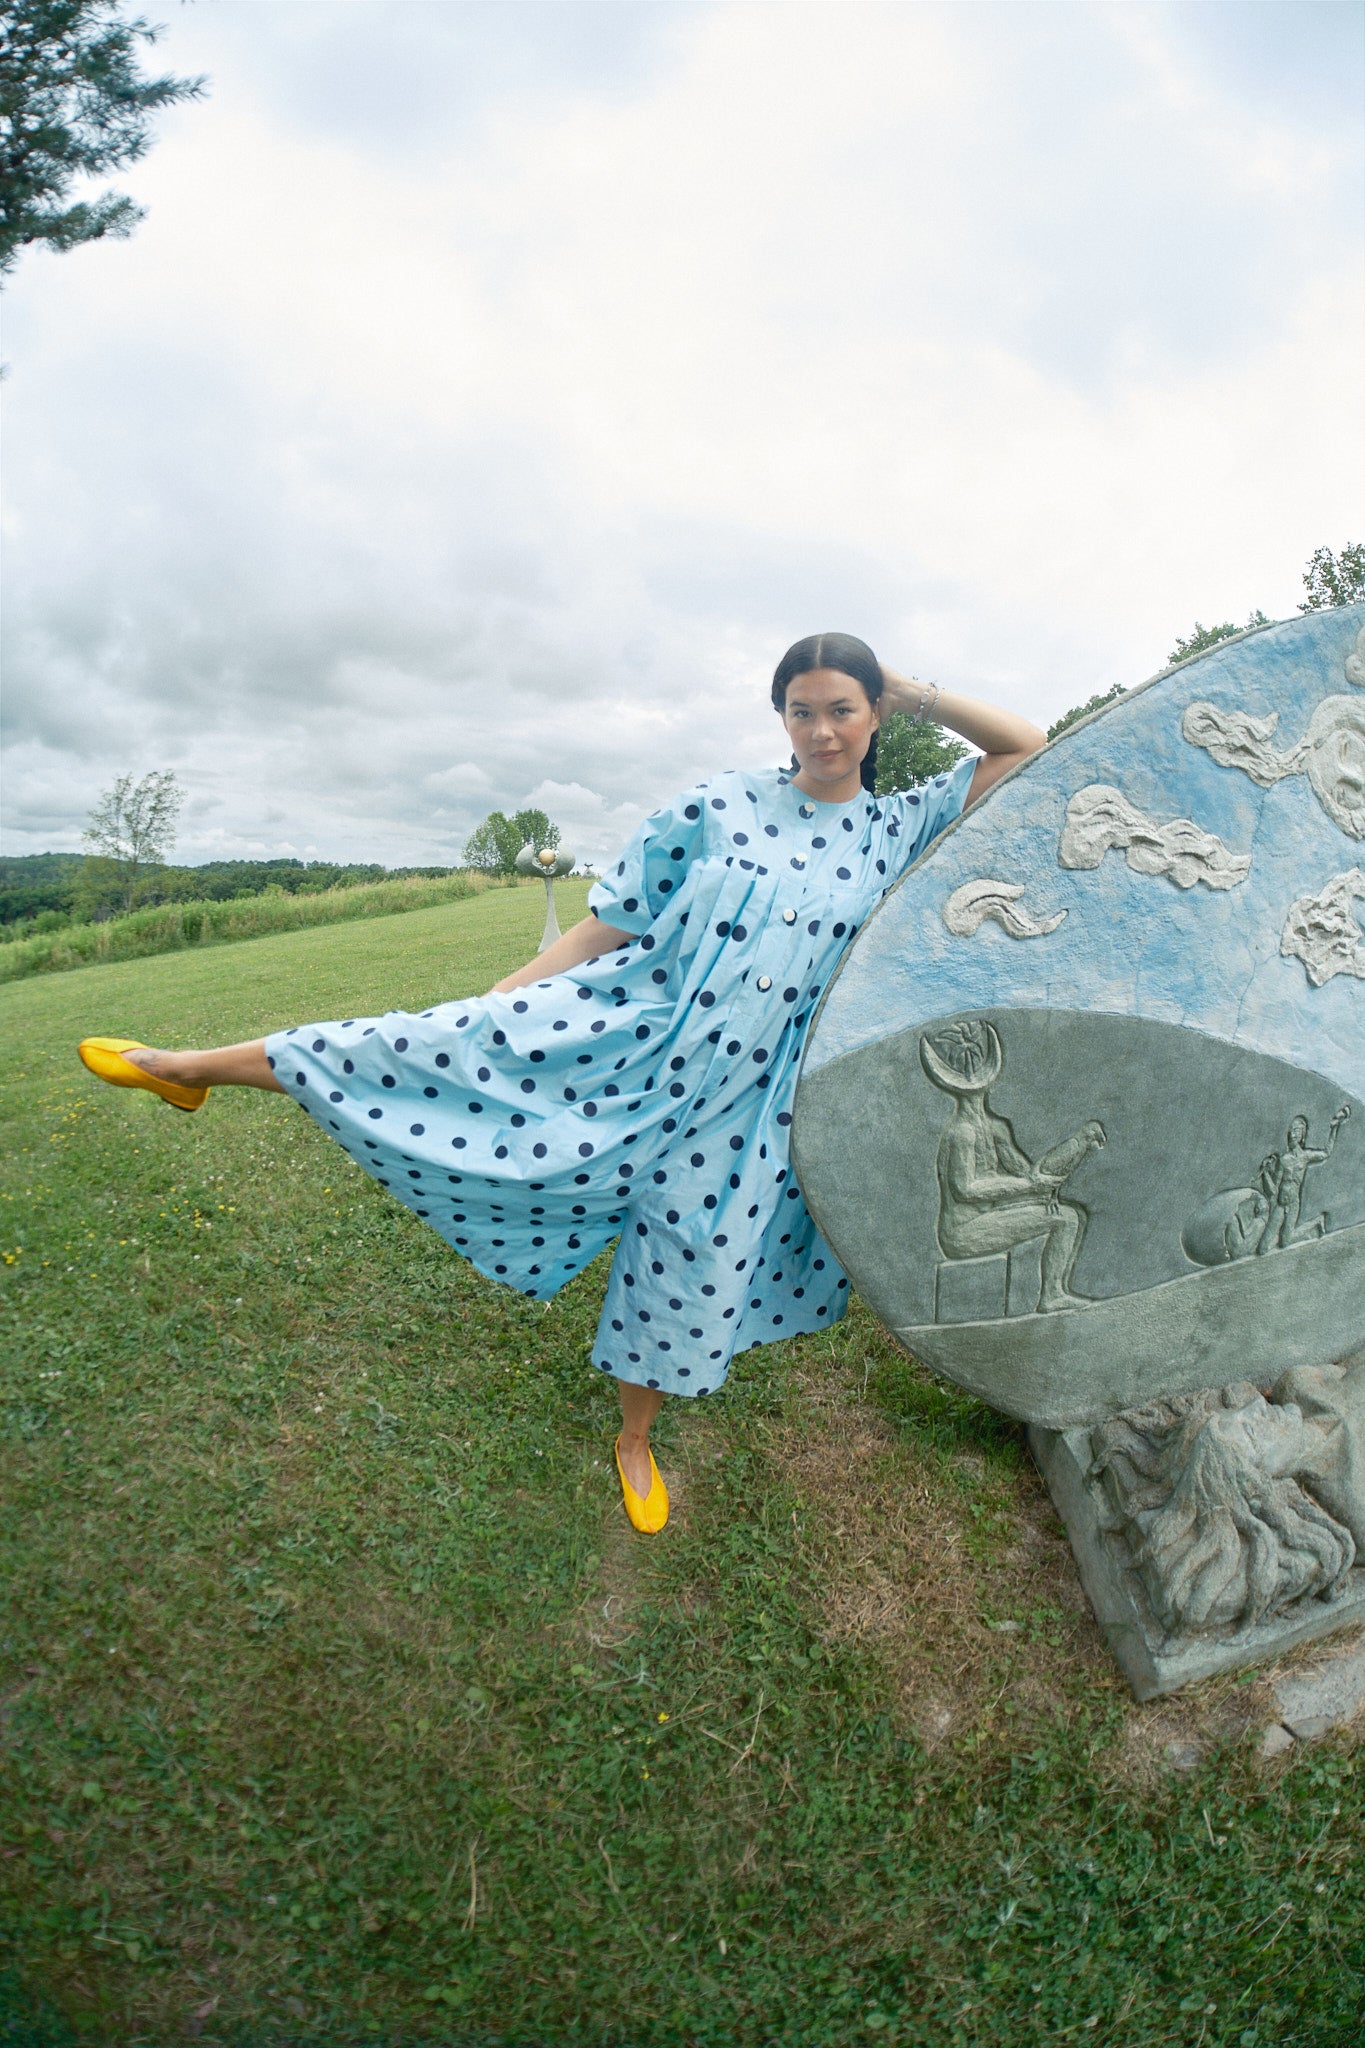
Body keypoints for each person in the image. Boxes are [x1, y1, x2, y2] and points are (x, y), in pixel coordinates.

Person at [78, 633, 1045, 1532]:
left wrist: (910, 688)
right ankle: (187, 1069)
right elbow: (610, 920)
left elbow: (1023, 747)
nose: (822, 731)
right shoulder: (721, 805)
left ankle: (634, 1440)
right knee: (425, 1049)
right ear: (779, 717)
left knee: (691, 1256)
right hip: (631, 1036)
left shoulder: (896, 826)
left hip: (753, 1099)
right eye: (801, 710)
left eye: (841, 709)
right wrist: (503, 993)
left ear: (874, 715)